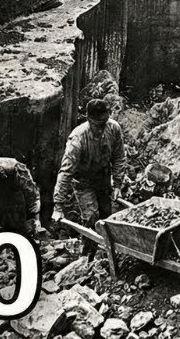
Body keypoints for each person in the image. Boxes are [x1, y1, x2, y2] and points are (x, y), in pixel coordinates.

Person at [52, 99, 126, 256]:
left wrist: (118, 184)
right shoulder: (77, 139)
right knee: (92, 217)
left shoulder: (113, 128)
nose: (101, 128)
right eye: (98, 125)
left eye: (104, 123)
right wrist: (58, 206)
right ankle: (88, 255)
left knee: (107, 215)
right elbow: (66, 172)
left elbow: (119, 156)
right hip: (83, 182)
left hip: (103, 177)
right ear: (89, 120)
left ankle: (109, 252)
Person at [0, 157, 43, 237]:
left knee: (17, 208)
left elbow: (33, 195)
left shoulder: (18, 170)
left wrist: (36, 219)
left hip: (13, 183)